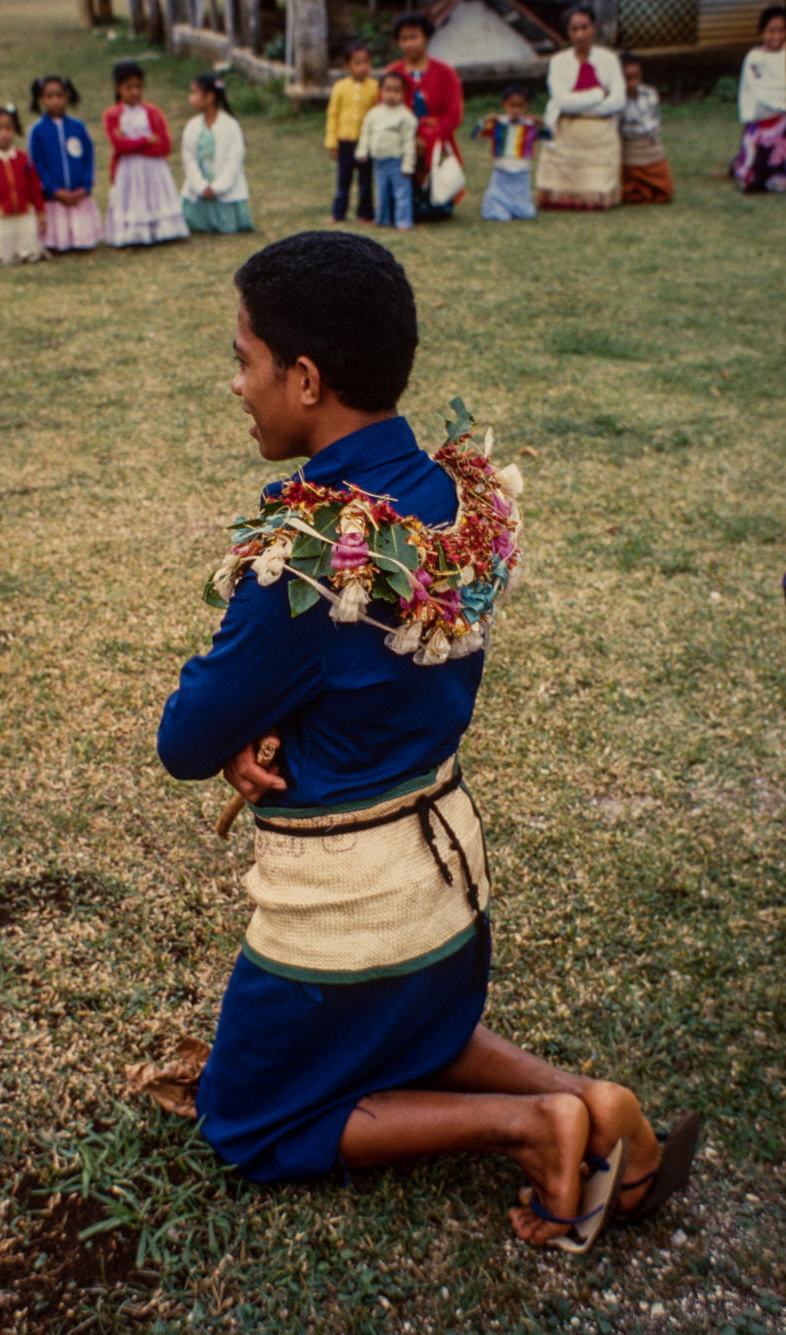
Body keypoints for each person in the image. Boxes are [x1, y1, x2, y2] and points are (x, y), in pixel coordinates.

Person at [156, 231, 700, 1250]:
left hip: (350, 917)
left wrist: (239, 723)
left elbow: (184, 739)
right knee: (408, 1035)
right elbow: (376, 674)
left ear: (306, 378)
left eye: (244, 358)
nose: (235, 384)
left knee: (247, 1121)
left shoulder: (311, 560)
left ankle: (530, 1124)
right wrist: (281, 713)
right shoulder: (459, 498)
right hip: (448, 887)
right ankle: (587, 1097)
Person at [535, 4, 625, 210]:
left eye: (585, 27)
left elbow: (618, 100)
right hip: (566, 129)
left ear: (593, 27)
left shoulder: (609, 60)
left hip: (599, 132)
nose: (580, 34)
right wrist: (597, 95)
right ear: (568, 32)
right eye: (574, 29)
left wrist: (581, 106)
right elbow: (561, 100)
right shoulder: (558, 62)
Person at [102, 60, 189, 247]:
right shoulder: (113, 116)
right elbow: (119, 145)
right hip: (128, 169)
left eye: (139, 86)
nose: (135, 91)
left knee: (154, 196)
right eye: (129, 87)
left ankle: (159, 230)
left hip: (154, 168)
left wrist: (133, 144)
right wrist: (145, 140)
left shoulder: (152, 112)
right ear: (118, 88)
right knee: (134, 198)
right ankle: (134, 234)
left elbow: (164, 145)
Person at [387, 12, 464, 221]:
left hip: (437, 145)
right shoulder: (393, 72)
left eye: (413, 37)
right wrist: (409, 141)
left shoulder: (445, 72)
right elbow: (383, 110)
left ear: (426, 38)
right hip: (401, 143)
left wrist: (429, 138)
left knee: (438, 207)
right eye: (404, 39)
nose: (408, 43)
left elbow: (454, 114)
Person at [27, 75, 103, 252]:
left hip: (78, 194)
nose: (55, 101)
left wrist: (85, 186)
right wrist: (54, 190)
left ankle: (81, 240)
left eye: (59, 95)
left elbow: (88, 157)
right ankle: (57, 242)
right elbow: (37, 165)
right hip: (54, 198)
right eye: (50, 96)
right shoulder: (38, 130)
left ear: (67, 96)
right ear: (41, 99)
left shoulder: (78, 127)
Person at [0, 104, 47, 266]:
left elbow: (35, 187)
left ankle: (27, 252)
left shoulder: (23, 158)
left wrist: (41, 212)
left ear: (15, 129)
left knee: (28, 247)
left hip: (24, 213)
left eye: (8, 128)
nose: (4, 134)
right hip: (1, 214)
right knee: (2, 256)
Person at [180, 74, 254, 234]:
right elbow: (189, 159)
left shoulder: (231, 126)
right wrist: (201, 187)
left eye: (195, 93)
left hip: (225, 193)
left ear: (210, 97)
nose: (191, 98)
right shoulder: (192, 127)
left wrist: (217, 188)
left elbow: (234, 161)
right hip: (199, 193)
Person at [473, 83, 551, 221]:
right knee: (497, 200)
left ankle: (519, 209)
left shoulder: (530, 126)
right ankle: (497, 209)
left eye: (520, 106)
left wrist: (542, 123)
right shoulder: (498, 125)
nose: (516, 110)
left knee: (525, 209)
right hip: (501, 170)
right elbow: (476, 136)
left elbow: (549, 136)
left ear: (526, 106)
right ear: (505, 105)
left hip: (521, 171)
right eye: (512, 105)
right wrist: (484, 121)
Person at [325, 41, 379, 224]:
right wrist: (332, 142)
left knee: (365, 180)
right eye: (357, 63)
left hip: (365, 142)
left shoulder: (374, 87)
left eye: (366, 62)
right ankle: (338, 213)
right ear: (347, 65)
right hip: (345, 140)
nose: (363, 67)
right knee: (344, 180)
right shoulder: (340, 87)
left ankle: (365, 214)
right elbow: (333, 115)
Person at [734, 5, 786, 193]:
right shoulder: (755, 58)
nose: (777, 35)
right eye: (771, 30)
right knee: (752, 182)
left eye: (782, 30)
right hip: (764, 125)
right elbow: (762, 93)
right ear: (762, 31)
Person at [356, 71, 416, 230]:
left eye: (396, 91)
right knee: (382, 194)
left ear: (403, 93)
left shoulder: (405, 116)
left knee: (401, 194)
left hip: (397, 161)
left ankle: (403, 221)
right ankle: (381, 219)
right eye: (388, 90)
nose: (391, 95)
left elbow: (409, 142)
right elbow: (365, 134)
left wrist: (408, 165)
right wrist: (362, 151)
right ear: (381, 91)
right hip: (379, 162)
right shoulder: (373, 114)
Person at [619, 54, 674, 204]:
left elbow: (650, 123)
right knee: (630, 192)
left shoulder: (650, 93)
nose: (633, 83)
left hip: (650, 146)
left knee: (664, 192)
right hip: (630, 149)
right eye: (628, 78)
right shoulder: (617, 99)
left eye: (636, 77)